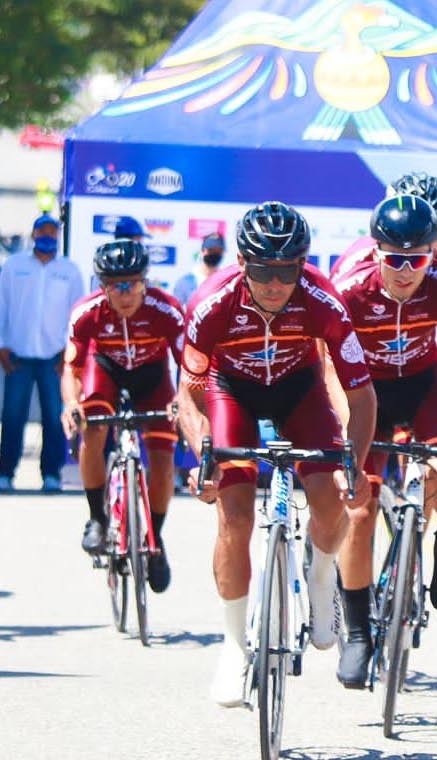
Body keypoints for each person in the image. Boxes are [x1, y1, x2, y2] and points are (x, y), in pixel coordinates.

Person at [176, 201, 376, 707]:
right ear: (243, 263)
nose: (275, 283)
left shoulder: (322, 300)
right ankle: (232, 645)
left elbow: (360, 394)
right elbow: (189, 392)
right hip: (231, 391)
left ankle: (322, 575)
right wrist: (203, 454)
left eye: (287, 271)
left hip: (299, 388)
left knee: (333, 501)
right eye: (263, 270)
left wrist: (354, 461)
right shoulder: (211, 302)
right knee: (235, 516)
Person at [329, 194, 437, 687]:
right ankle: (357, 629)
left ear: (434, 252)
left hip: (423, 386)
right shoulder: (349, 290)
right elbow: (325, 363)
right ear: (375, 251)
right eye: (394, 258)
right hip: (366, 393)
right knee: (358, 509)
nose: (404, 270)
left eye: (416, 259)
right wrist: (345, 429)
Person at [61, 240, 184, 589]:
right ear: (103, 287)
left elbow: (190, 366)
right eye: (117, 286)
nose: (126, 294)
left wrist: (183, 402)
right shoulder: (86, 313)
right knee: (93, 430)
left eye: (133, 283)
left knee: (162, 457)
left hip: (152, 374)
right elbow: (71, 368)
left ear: (146, 281)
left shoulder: (166, 310)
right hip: (106, 370)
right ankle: (97, 519)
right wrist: (71, 403)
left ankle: (155, 541)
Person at [333, 172, 437, 380]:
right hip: (365, 370)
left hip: (417, 370)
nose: (420, 237)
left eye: (434, 227)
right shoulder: (355, 263)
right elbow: (330, 346)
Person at [0, 214, 85, 492]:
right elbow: (2, 304)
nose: (48, 235)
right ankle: (5, 473)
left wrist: (68, 354)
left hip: (54, 358)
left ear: (59, 235)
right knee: (13, 416)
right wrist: (2, 344)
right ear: (34, 234)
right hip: (18, 354)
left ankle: (51, 474)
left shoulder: (69, 270)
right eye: (43, 231)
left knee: (53, 417)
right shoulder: (14, 266)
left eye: (53, 231)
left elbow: (76, 315)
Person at [172, 233, 226, 307]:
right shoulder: (185, 282)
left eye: (218, 251)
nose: (214, 254)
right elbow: (176, 310)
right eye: (211, 250)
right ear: (202, 251)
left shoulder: (226, 282)